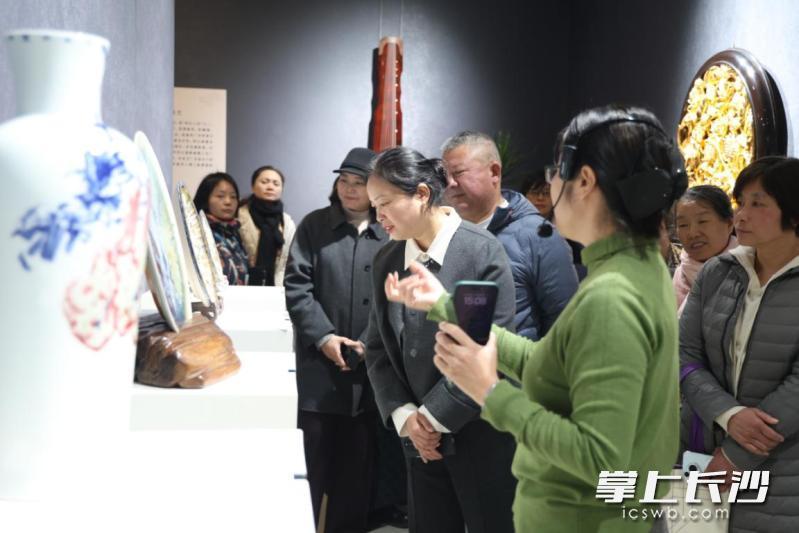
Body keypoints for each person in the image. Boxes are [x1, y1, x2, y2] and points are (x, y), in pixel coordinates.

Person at [388, 105, 687, 532]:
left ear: (585, 181)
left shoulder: (612, 297)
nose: (549, 184)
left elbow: (599, 457)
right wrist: (446, 305)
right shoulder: (640, 268)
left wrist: (490, 393)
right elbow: (552, 365)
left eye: (555, 171)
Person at [364, 146, 517, 533]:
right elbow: (378, 348)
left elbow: (484, 349)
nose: (378, 216)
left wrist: (431, 418)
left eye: (385, 203)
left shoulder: (479, 252)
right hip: (418, 442)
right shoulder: (386, 260)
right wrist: (406, 417)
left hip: (478, 433)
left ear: (421, 194)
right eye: (374, 206)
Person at [679, 156, 799, 532]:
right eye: (740, 202)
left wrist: (735, 455)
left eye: (757, 204)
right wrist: (728, 414)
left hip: (782, 470)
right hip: (702, 451)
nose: (741, 215)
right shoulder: (719, 272)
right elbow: (684, 354)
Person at [284, 148, 388, 533]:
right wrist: (324, 337)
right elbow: (297, 288)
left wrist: (368, 342)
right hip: (317, 377)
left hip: (370, 379)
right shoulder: (314, 226)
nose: (349, 189)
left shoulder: (390, 231)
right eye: (344, 180)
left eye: (359, 183)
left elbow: (397, 300)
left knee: (354, 484)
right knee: (308, 474)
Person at [442, 131, 578, 339]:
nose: (450, 183)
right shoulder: (444, 233)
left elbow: (565, 321)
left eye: (458, 173)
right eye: (444, 175)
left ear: (494, 172)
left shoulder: (538, 236)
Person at [672, 185, 736, 315]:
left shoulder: (752, 269)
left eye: (702, 221)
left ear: (729, 224)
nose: (692, 233)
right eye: (683, 225)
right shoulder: (678, 278)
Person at [522, 167, 588, 280]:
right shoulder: (516, 226)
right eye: (535, 193)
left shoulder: (567, 229)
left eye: (546, 193)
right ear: (524, 195)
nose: (540, 198)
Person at [238, 165, 296, 286]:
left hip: (276, 285)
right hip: (242, 285)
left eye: (276, 184)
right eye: (264, 182)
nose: (270, 187)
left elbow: (289, 260)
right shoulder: (238, 215)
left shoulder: (287, 222)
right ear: (253, 186)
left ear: (281, 189)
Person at [193, 172, 249, 285]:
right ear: (205, 198)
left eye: (233, 197)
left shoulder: (235, 232)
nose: (228, 202)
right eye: (220, 196)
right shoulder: (197, 232)